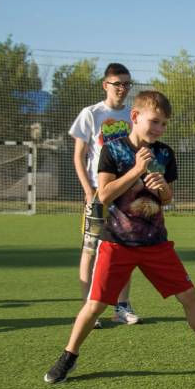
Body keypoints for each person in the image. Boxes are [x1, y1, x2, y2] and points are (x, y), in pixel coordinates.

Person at [45, 90, 195, 384]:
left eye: (164, 124)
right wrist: (136, 170)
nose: (159, 129)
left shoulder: (165, 153)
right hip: (117, 243)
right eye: (155, 122)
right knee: (96, 303)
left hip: (156, 243)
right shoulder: (112, 151)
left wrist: (162, 187)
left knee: (189, 296)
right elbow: (104, 195)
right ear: (135, 117)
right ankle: (68, 356)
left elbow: (166, 199)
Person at [69, 62, 140, 327]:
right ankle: (88, 306)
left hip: (126, 194)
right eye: (117, 83)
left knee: (126, 249)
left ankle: (122, 306)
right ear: (105, 85)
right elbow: (79, 155)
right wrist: (89, 191)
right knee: (91, 249)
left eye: (127, 84)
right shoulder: (91, 114)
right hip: (99, 193)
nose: (122, 88)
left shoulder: (133, 116)